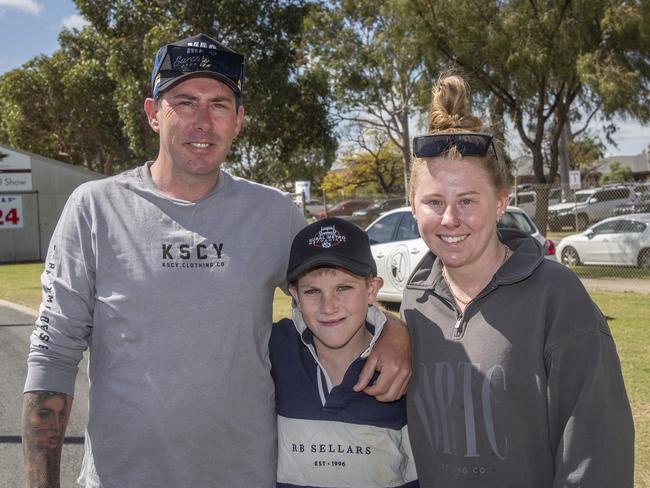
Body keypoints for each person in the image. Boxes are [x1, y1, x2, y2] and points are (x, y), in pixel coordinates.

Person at [21, 33, 410, 488]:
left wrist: (395, 330)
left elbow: (341, 290)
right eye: (184, 102)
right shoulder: (93, 208)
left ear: (239, 119)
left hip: (246, 476)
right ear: (152, 113)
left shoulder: (273, 212)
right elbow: (52, 353)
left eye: (219, 105)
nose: (202, 122)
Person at [401, 74, 634, 487]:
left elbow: (597, 454)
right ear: (412, 206)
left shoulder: (556, 296)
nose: (450, 219)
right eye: (434, 201)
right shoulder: (415, 302)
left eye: (468, 200)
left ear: (501, 203)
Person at [270, 217, 418, 488]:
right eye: (313, 291)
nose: (329, 306)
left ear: (372, 289)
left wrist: (397, 332)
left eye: (344, 288)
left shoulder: (404, 367)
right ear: (295, 295)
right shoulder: (275, 349)